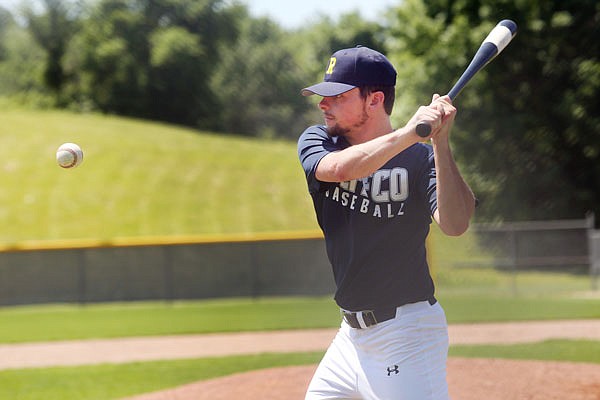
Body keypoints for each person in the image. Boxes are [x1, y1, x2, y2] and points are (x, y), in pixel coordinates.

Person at [297, 45, 476, 400]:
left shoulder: (420, 159)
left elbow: (455, 224)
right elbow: (340, 170)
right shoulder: (320, 142)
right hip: (350, 337)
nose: (323, 104)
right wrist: (411, 132)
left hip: (406, 333)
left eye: (337, 96)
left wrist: (439, 143)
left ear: (374, 99)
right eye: (324, 97)